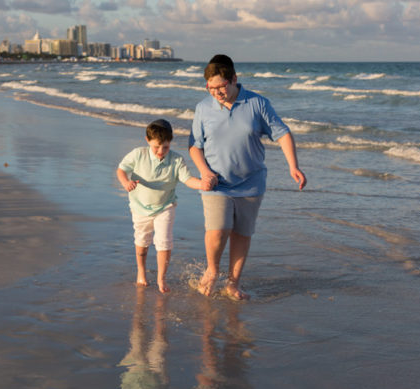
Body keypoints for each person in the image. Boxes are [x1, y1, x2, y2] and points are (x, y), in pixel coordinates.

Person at [188, 54, 307, 300]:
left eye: (222, 86)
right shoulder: (203, 108)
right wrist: (204, 171)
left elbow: (283, 134)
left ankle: (233, 284)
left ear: (234, 79)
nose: (218, 92)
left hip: (251, 183)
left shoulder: (257, 103)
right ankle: (212, 270)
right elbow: (194, 145)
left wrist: (293, 166)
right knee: (218, 230)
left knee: (242, 234)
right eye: (212, 88)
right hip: (217, 183)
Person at [117, 119, 208, 293]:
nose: (160, 152)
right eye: (156, 147)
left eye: (165, 147)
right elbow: (121, 170)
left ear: (170, 142)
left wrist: (202, 184)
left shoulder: (176, 160)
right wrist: (125, 183)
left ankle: (161, 278)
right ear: (147, 140)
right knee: (142, 242)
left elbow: (187, 179)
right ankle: (141, 272)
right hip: (140, 206)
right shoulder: (138, 154)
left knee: (164, 241)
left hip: (166, 205)